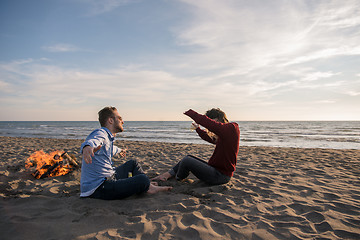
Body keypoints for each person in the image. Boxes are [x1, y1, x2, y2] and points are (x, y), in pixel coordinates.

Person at [80, 106, 172, 200]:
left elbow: (111, 149)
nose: (122, 121)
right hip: (99, 188)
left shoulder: (108, 138)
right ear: (110, 120)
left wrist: (120, 150)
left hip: (109, 177)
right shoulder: (101, 133)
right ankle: (149, 187)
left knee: (133, 163)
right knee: (142, 180)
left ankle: (148, 186)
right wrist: (88, 147)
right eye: (119, 118)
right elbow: (94, 140)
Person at [152, 108, 240, 185]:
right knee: (188, 157)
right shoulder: (224, 134)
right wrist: (198, 129)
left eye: (211, 121)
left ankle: (178, 178)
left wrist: (192, 113)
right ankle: (167, 175)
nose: (209, 128)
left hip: (220, 176)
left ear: (217, 118)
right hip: (216, 171)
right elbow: (210, 139)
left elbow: (211, 124)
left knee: (187, 161)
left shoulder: (232, 128)